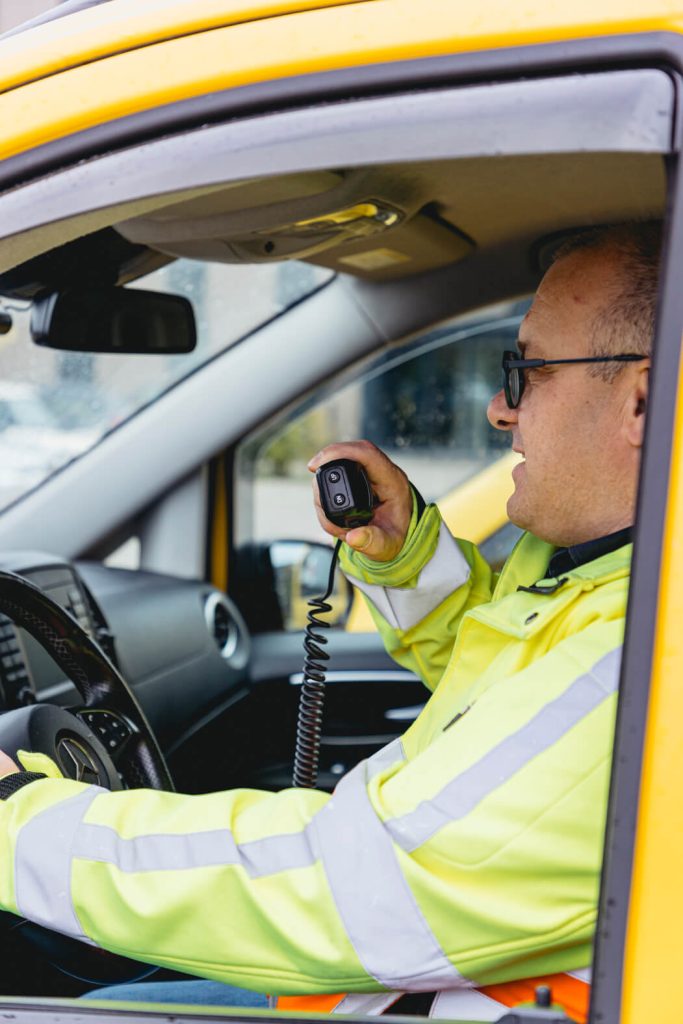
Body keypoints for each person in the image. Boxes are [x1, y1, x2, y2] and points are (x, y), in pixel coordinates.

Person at [0, 222, 659, 1023]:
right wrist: (403, 557)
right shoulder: (621, 572)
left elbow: (354, 882)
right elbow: (516, 686)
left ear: (642, 400)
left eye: (524, 371)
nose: (496, 408)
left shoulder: (645, 665)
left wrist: (20, 821)